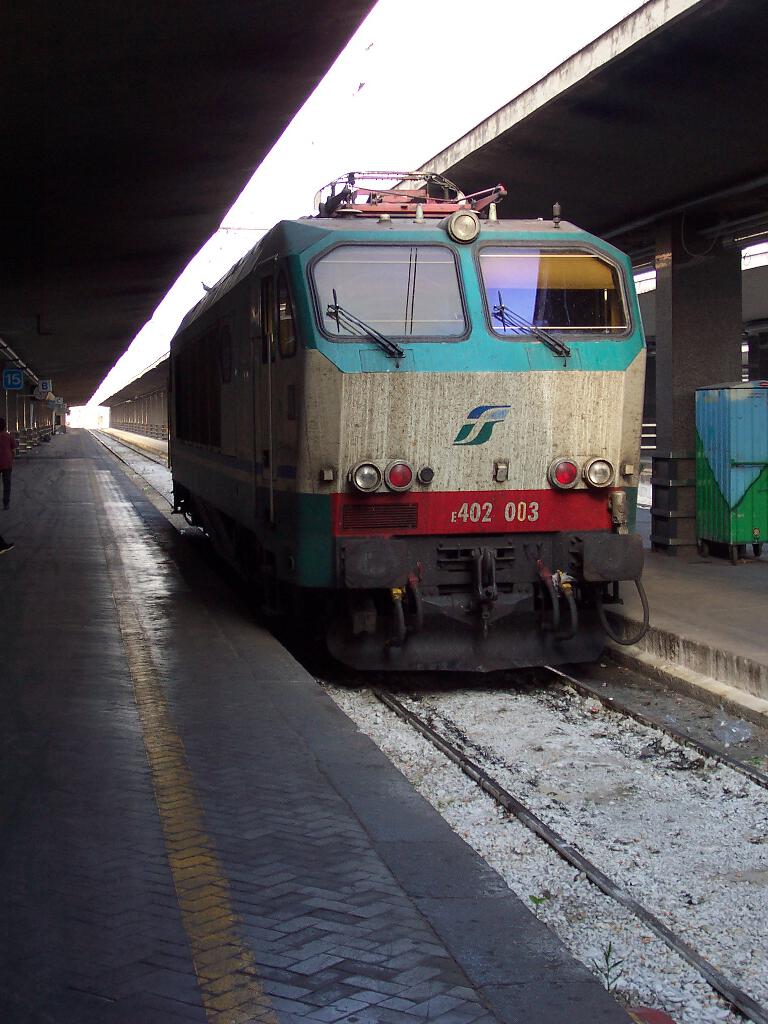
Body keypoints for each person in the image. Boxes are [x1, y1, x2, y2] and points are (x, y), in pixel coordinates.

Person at [0, 417, 16, 510]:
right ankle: (6, 503)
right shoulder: (8, 436)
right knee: (7, 484)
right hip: (7, 462)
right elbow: (13, 447)